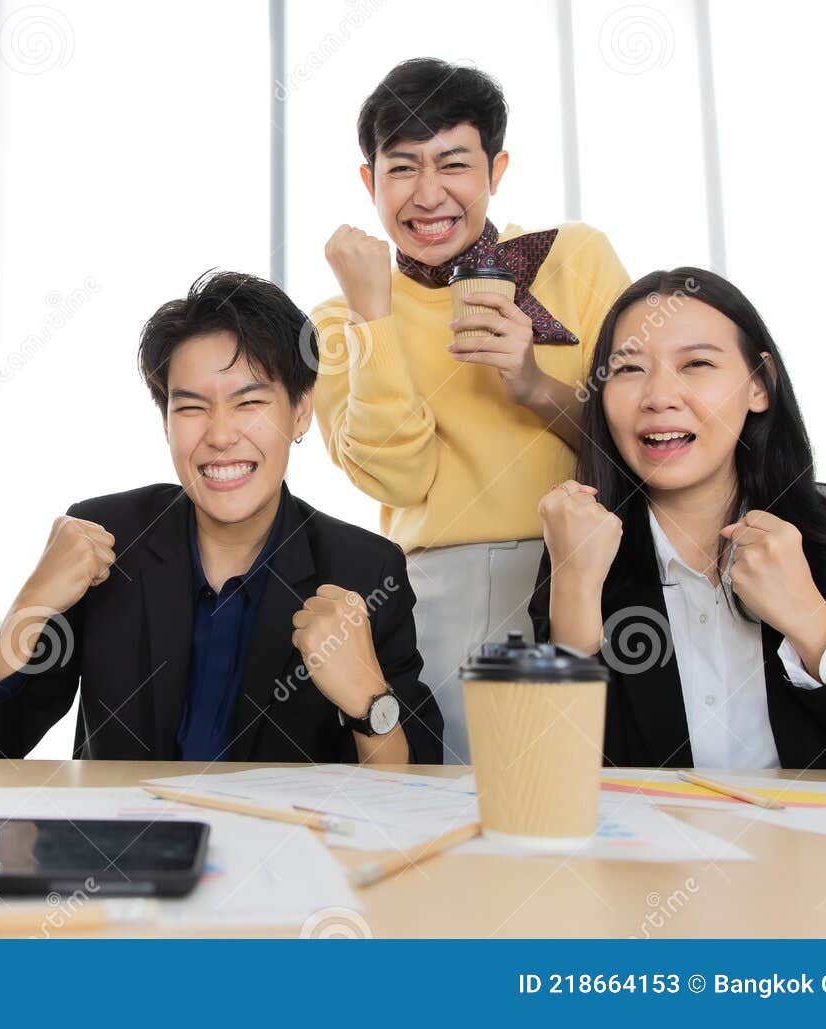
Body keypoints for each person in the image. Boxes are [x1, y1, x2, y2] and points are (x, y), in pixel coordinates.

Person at [0, 271, 442, 766]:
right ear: (166, 421)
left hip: (280, 854)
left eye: (250, 403)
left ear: (302, 410)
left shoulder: (365, 569)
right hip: (125, 854)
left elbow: (412, 799)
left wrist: (368, 701)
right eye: (191, 407)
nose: (220, 436)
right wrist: (29, 606)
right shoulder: (106, 541)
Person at [531, 268, 826, 771]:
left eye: (697, 363)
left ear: (759, 386)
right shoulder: (580, 543)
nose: (659, 396)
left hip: (825, 850)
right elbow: (551, 791)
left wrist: (815, 626)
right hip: (654, 850)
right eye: (629, 369)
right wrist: (573, 599)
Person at [311, 58, 630, 763]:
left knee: (602, 800)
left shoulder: (574, 256)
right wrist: (374, 316)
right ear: (369, 182)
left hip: (594, 569)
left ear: (497, 169)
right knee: (449, 813)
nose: (428, 195)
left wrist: (531, 383)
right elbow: (399, 480)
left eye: (453, 163)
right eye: (402, 169)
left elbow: (644, 442)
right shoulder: (339, 319)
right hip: (435, 594)